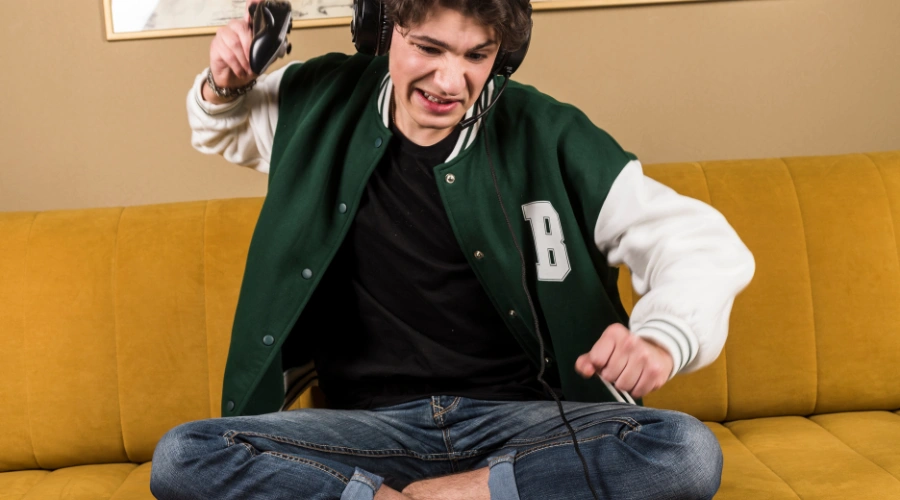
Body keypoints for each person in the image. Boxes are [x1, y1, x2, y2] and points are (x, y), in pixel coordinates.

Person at [150, 0, 755, 498]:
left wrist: (661, 336)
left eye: (477, 55)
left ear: (504, 55)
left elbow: (694, 239)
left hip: (522, 426)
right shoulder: (322, 102)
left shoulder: (549, 131)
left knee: (683, 452)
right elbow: (224, 128)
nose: (450, 81)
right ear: (384, 31)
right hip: (367, 429)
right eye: (428, 48)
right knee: (186, 454)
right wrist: (222, 84)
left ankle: (462, 493)